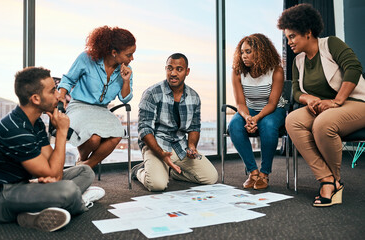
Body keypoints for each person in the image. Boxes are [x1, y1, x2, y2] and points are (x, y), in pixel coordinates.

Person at [278, 3, 365, 207]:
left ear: (308, 32)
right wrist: (309, 99)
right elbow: (297, 91)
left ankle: (333, 182)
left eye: (292, 36)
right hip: (324, 106)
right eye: (287, 37)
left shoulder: (330, 44)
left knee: (323, 124)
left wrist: (337, 101)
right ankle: (327, 179)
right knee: (292, 120)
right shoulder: (298, 60)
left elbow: (353, 67)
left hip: (356, 102)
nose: (289, 41)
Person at [0, 67, 100, 232]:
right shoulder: (15, 129)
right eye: (53, 91)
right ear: (36, 98)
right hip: (0, 197)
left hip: (21, 185)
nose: (59, 95)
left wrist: (48, 177)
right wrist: (61, 132)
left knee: (85, 171)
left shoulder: (34, 122)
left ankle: (38, 210)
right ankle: (78, 201)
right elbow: (54, 174)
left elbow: (52, 166)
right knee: (69, 190)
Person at [132, 53, 218, 191]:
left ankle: (173, 172)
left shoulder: (194, 97)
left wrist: (191, 147)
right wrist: (161, 154)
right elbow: (144, 129)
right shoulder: (152, 93)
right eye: (170, 68)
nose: (173, 73)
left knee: (211, 178)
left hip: (179, 145)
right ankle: (139, 172)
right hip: (156, 145)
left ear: (187, 71)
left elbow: (194, 127)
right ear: (165, 69)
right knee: (157, 185)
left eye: (179, 69)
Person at [58, 25, 136, 168]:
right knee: (94, 139)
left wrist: (125, 80)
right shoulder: (87, 58)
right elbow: (68, 80)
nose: (132, 58)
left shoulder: (126, 70)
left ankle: (85, 166)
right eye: (129, 54)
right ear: (114, 52)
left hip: (101, 110)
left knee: (118, 133)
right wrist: (61, 96)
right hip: (79, 106)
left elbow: (124, 99)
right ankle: (82, 160)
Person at [228, 33, 286, 190]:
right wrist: (248, 117)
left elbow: (273, 103)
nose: (243, 56)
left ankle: (264, 173)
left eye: (248, 52)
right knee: (233, 125)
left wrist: (257, 118)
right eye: (242, 52)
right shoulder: (237, 72)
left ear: (260, 52)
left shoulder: (277, 71)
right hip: (250, 109)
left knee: (267, 125)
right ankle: (253, 172)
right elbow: (240, 103)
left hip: (273, 109)